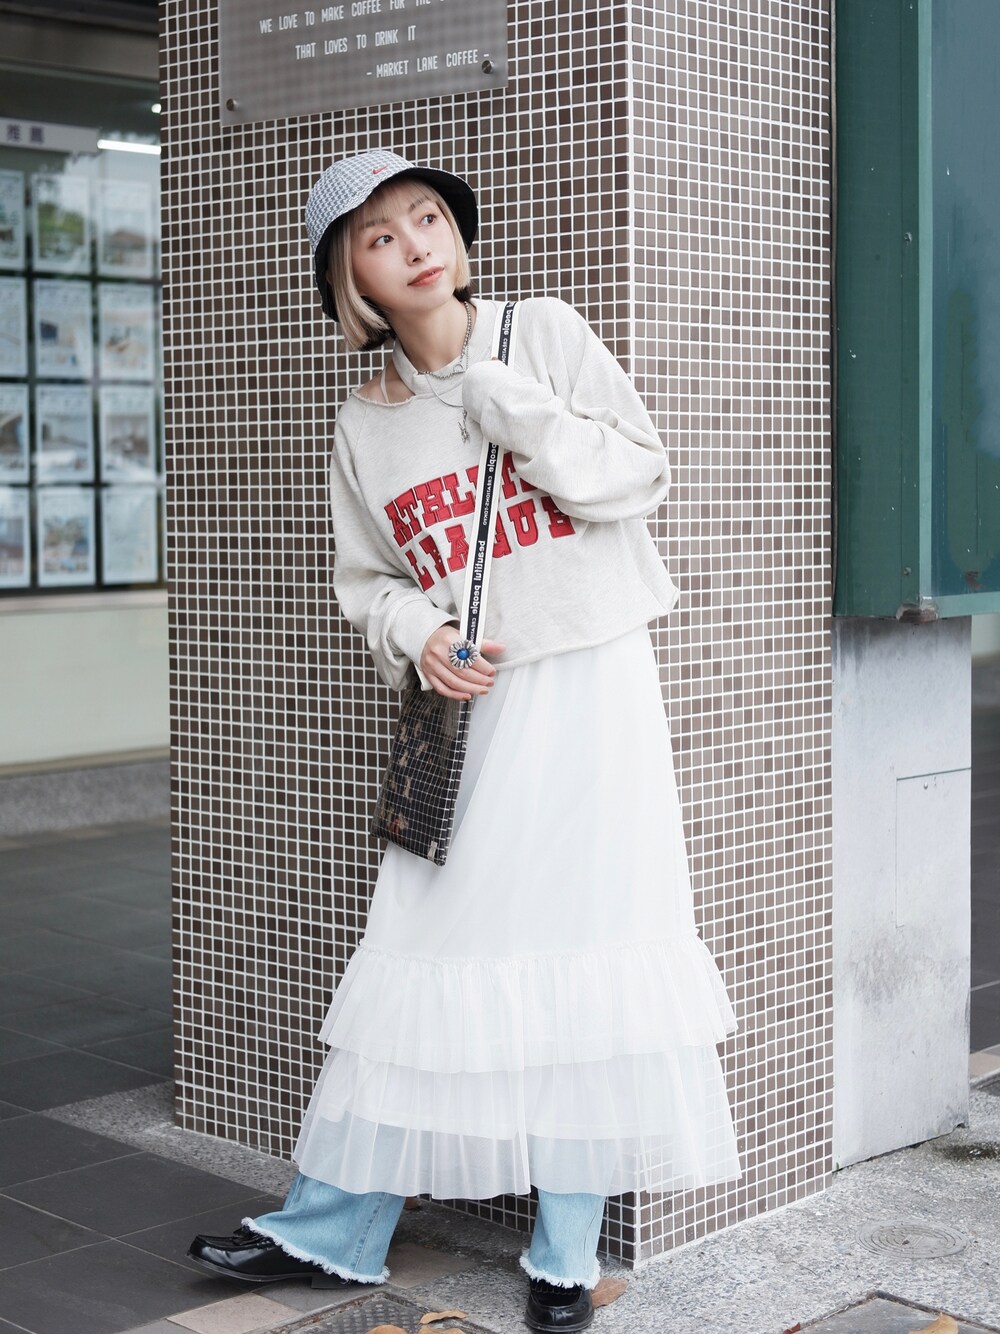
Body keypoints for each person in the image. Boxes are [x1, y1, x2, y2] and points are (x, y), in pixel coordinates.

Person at [188, 148, 742, 1334]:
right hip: (474, 711)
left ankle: (564, 1253)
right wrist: (421, 632)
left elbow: (637, 475)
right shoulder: (365, 421)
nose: (415, 244)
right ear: (351, 278)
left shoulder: (538, 333)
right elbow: (369, 581)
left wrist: (510, 405)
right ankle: (329, 1225)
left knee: (594, 943)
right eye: (381, 236)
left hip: (592, 689)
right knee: (419, 939)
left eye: (427, 217)